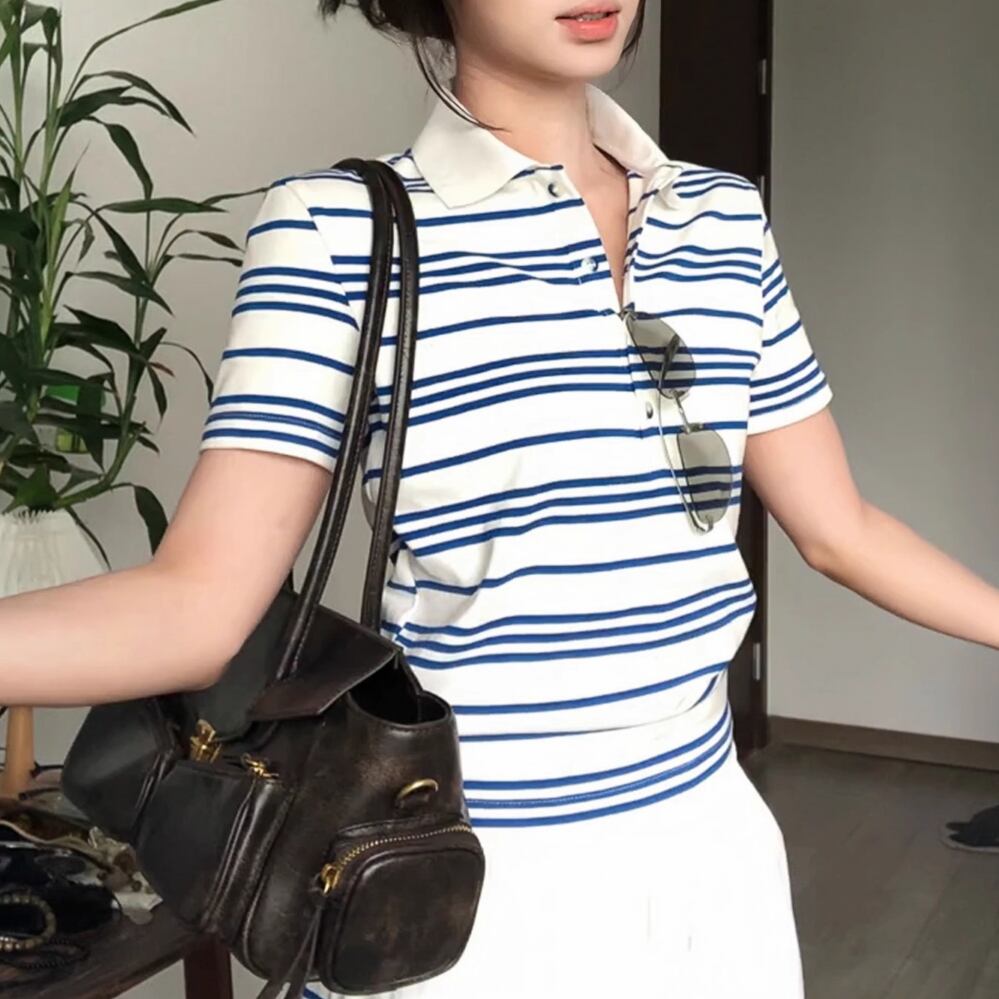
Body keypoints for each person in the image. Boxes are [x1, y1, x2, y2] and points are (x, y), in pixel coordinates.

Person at [2, 1, 998, 996]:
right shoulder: (337, 230)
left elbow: (838, 530)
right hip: (456, 885)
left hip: (712, 857)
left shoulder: (723, 218)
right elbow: (199, 603)